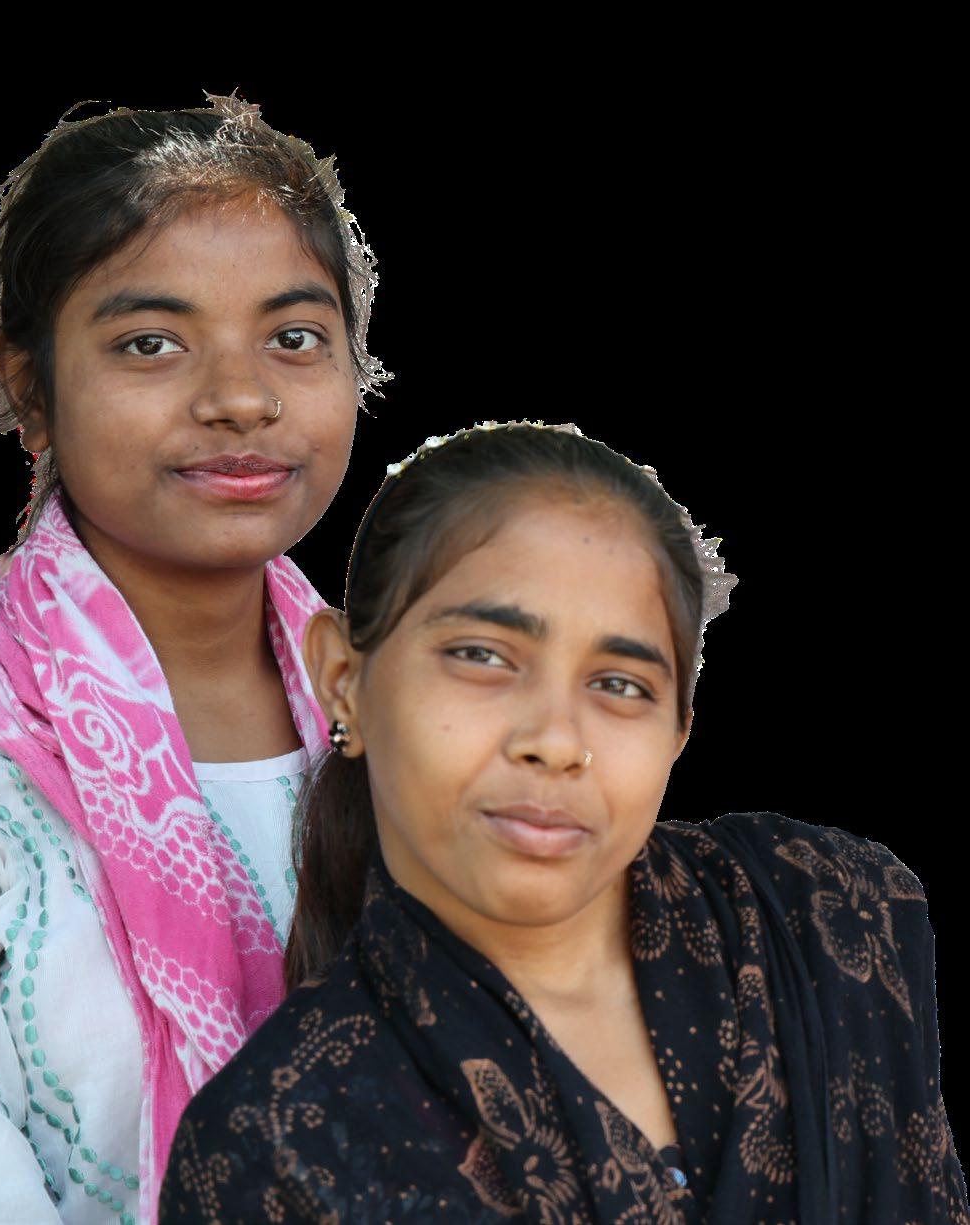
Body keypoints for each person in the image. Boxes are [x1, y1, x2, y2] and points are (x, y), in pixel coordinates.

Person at [159, 420, 967, 1224]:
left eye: (619, 684)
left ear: (678, 731)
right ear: (343, 678)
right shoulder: (271, 1144)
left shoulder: (831, 913)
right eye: (481, 655)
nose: (553, 739)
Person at [0, 90, 392, 1224]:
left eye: (294, 338)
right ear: (29, 381)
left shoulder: (418, 713)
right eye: (151, 343)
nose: (241, 398)